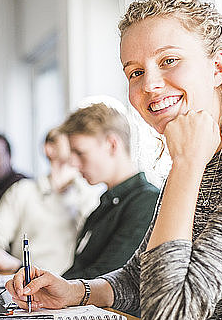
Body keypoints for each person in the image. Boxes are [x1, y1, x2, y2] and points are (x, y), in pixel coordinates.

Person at [5, 0, 222, 320]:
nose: (149, 84)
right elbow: (140, 278)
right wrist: (79, 291)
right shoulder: (200, 160)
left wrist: (185, 165)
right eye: (134, 72)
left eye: (168, 60)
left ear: (218, 67)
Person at [0, 127, 99, 274]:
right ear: (49, 149)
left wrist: (77, 184)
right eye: (69, 142)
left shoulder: (88, 196)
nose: (75, 149)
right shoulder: (22, 190)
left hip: (70, 288)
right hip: (26, 287)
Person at [59, 102, 159, 279]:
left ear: (112, 144)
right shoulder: (106, 205)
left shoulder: (146, 202)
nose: (73, 163)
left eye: (80, 152)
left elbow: (108, 277)